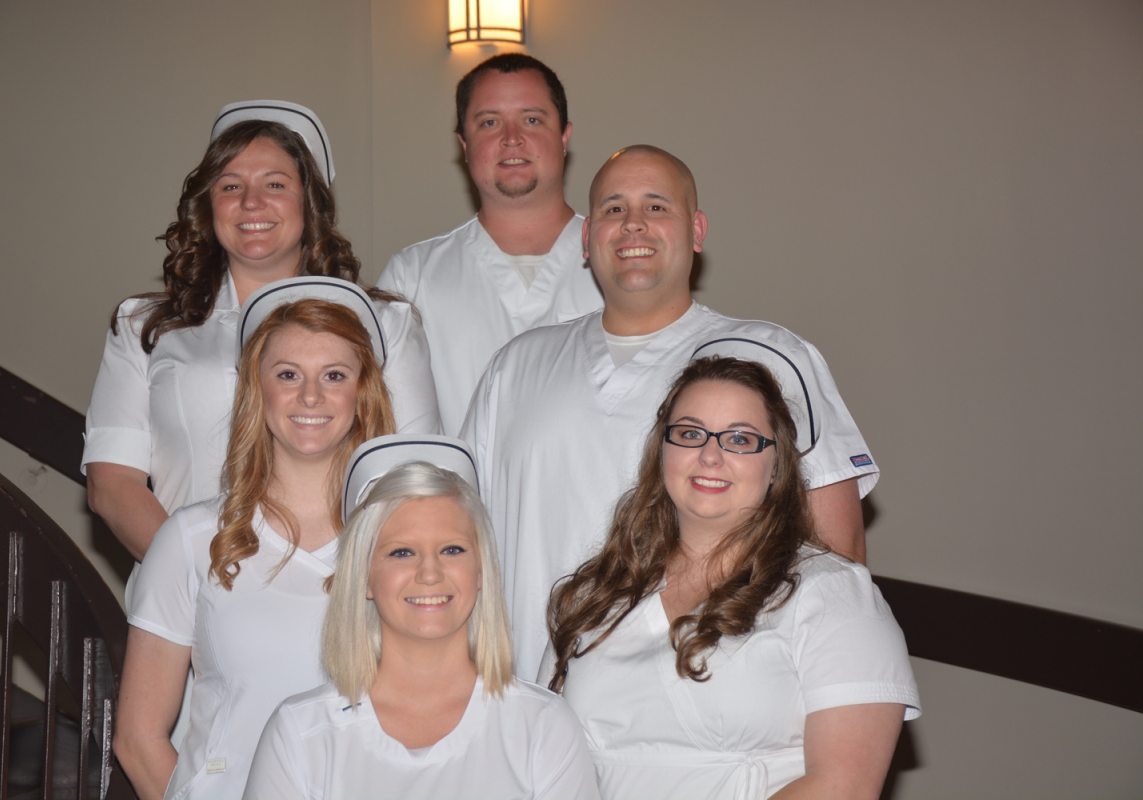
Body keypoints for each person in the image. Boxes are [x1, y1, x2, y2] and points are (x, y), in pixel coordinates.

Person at [462, 145, 878, 679]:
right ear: (586, 239)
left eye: (656, 207)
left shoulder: (771, 356)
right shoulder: (515, 365)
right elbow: (459, 533)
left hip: (704, 695)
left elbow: (838, 551)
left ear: (697, 231)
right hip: (526, 694)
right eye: (613, 208)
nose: (633, 224)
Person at [545, 358, 919, 799]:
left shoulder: (834, 596)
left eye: (740, 439)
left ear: (777, 465)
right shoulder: (598, 594)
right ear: (661, 451)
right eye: (690, 434)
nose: (710, 455)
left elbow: (844, 787)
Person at [84, 100, 440, 562]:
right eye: (231, 185)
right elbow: (112, 484)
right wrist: (199, 580)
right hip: (189, 590)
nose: (251, 202)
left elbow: (412, 480)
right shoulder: (145, 328)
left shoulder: (386, 325)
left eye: (275, 184)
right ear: (208, 204)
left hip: (340, 589)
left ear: (308, 202)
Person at [114, 293, 397, 800]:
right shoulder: (191, 539)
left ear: (363, 392)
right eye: (288, 374)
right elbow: (138, 740)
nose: (310, 396)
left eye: (334, 375)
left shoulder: (404, 543)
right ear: (256, 389)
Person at [243, 435, 600, 800]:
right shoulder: (300, 736)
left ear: (481, 570)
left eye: (452, 549)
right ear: (363, 576)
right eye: (402, 552)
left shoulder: (543, 729)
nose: (430, 573)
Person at [377, 54, 603, 435]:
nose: (512, 138)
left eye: (532, 120)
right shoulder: (411, 278)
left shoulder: (620, 261)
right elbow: (400, 437)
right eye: (489, 122)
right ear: (464, 144)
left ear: (564, 137)